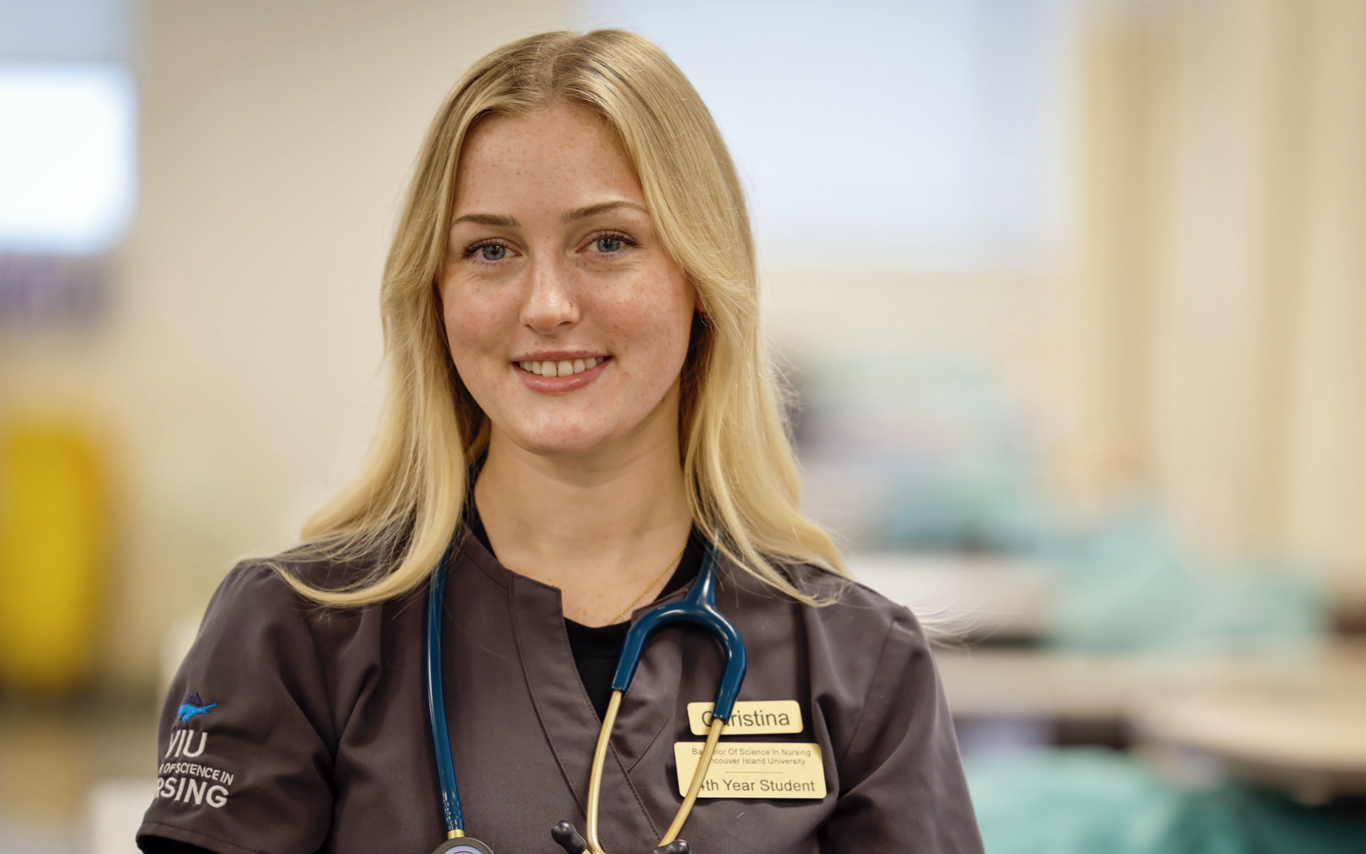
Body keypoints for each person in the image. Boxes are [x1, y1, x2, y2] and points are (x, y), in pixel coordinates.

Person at [136, 29, 983, 854]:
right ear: (435, 293)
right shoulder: (295, 635)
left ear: (700, 277)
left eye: (607, 242)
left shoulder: (856, 664)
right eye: (490, 249)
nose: (546, 306)